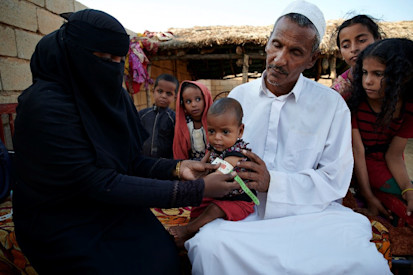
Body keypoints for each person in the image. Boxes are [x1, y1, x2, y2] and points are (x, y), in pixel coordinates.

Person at [11, 9, 239, 274]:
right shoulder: (45, 107)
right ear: (74, 52)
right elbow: (96, 182)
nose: (112, 67)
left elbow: (130, 161)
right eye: (103, 58)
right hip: (61, 218)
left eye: (119, 60)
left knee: (164, 255)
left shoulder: (113, 100)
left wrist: (178, 168)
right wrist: (196, 190)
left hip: (109, 206)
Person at [185, 1, 392, 274]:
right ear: (267, 44)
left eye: (295, 52)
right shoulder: (238, 99)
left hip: (312, 216)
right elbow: (219, 155)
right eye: (277, 45)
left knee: (363, 261)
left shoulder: (331, 105)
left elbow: (335, 180)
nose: (280, 59)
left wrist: (274, 182)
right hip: (244, 213)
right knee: (210, 246)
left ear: (312, 59)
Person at [169, 97, 256, 247]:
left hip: (239, 200)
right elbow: (202, 164)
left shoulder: (237, 152)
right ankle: (193, 231)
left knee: (214, 209)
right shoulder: (214, 146)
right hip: (218, 192)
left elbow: (221, 173)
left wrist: (199, 183)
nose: (217, 138)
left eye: (225, 132)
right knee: (198, 202)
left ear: (240, 131)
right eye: (211, 131)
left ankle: (188, 229)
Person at [348, 38, 413, 226]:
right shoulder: (355, 104)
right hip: (357, 164)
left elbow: (393, 156)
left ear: (403, 77)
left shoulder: (408, 109)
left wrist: (407, 188)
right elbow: (357, 152)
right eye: (365, 73)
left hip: (382, 163)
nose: (368, 81)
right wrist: (368, 196)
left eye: (378, 74)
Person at [331, 15, 382, 98]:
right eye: (346, 45)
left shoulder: (398, 74)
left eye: (361, 40)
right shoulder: (339, 90)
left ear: (378, 40)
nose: (354, 49)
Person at [139, 73, 179, 158]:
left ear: (175, 97)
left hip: (165, 163)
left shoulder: (174, 118)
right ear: (153, 91)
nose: (163, 96)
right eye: (160, 91)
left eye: (169, 93)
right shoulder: (142, 115)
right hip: (143, 161)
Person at [173, 81, 212, 160]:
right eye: (188, 101)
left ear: (206, 100)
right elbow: (179, 151)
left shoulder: (214, 122)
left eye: (198, 99)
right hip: (190, 166)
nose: (193, 104)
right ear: (183, 105)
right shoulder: (184, 124)